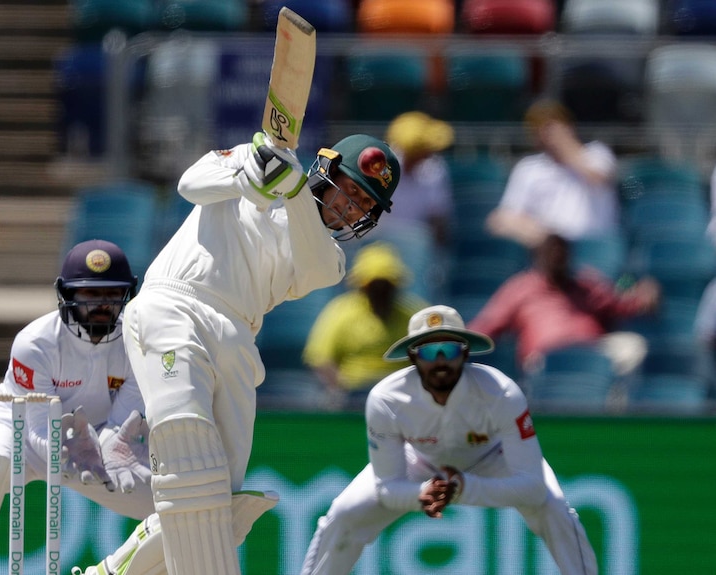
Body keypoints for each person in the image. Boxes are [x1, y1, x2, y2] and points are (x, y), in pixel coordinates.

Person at [73, 131, 401, 575]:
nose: (351, 208)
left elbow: (312, 260)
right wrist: (249, 176)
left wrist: (291, 189)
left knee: (223, 511)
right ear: (327, 171)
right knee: (185, 448)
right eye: (351, 192)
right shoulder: (258, 159)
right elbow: (190, 185)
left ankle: (109, 572)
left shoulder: (330, 257)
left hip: (237, 338)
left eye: (364, 206)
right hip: (176, 304)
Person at [300, 304, 598, 575]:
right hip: (420, 459)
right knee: (344, 514)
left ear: (466, 353)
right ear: (413, 356)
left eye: (450, 351)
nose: (440, 361)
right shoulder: (386, 399)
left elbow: (532, 488)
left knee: (555, 508)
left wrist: (463, 489)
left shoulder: (502, 392)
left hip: (493, 456)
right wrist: (423, 493)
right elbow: (387, 489)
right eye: (429, 352)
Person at [0, 239, 155, 575]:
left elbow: (120, 425)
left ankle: (109, 571)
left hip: (95, 448)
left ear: (127, 295)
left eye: (111, 293)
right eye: (90, 295)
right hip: (20, 431)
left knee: (175, 502)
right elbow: (34, 431)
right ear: (67, 295)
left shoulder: (137, 344)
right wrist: (66, 451)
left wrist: (106, 450)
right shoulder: (36, 344)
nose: (101, 305)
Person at [468, 233, 661, 381]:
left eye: (561, 251)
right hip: (544, 359)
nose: (557, 256)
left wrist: (644, 296)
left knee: (633, 346)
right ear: (539, 256)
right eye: (551, 250)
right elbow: (488, 324)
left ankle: (612, 411)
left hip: (591, 352)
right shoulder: (520, 287)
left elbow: (620, 304)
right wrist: (457, 340)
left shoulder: (585, 284)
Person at [303, 241, 427, 409]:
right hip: (353, 396)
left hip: (404, 395)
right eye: (374, 286)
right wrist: (340, 388)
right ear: (362, 287)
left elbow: (429, 354)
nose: (380, 291)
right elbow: (321, 358)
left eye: (386, 285)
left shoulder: (413, 315)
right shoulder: (340, 311)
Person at [486, 98, 620, 249]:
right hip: (549, 249)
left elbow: (598, 177)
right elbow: (501, 219)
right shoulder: (528, 168)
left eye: (552, 125)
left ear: (569, 126)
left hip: (595, 246)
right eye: (539, 127)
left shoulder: (597, 153)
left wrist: (564, 145)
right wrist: (538, 233)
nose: (547, 133)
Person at [383, 111, 455, 248]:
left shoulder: (435, 170)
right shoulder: (380, 167)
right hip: (379, 245)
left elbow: (438, 221)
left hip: (419, 249)